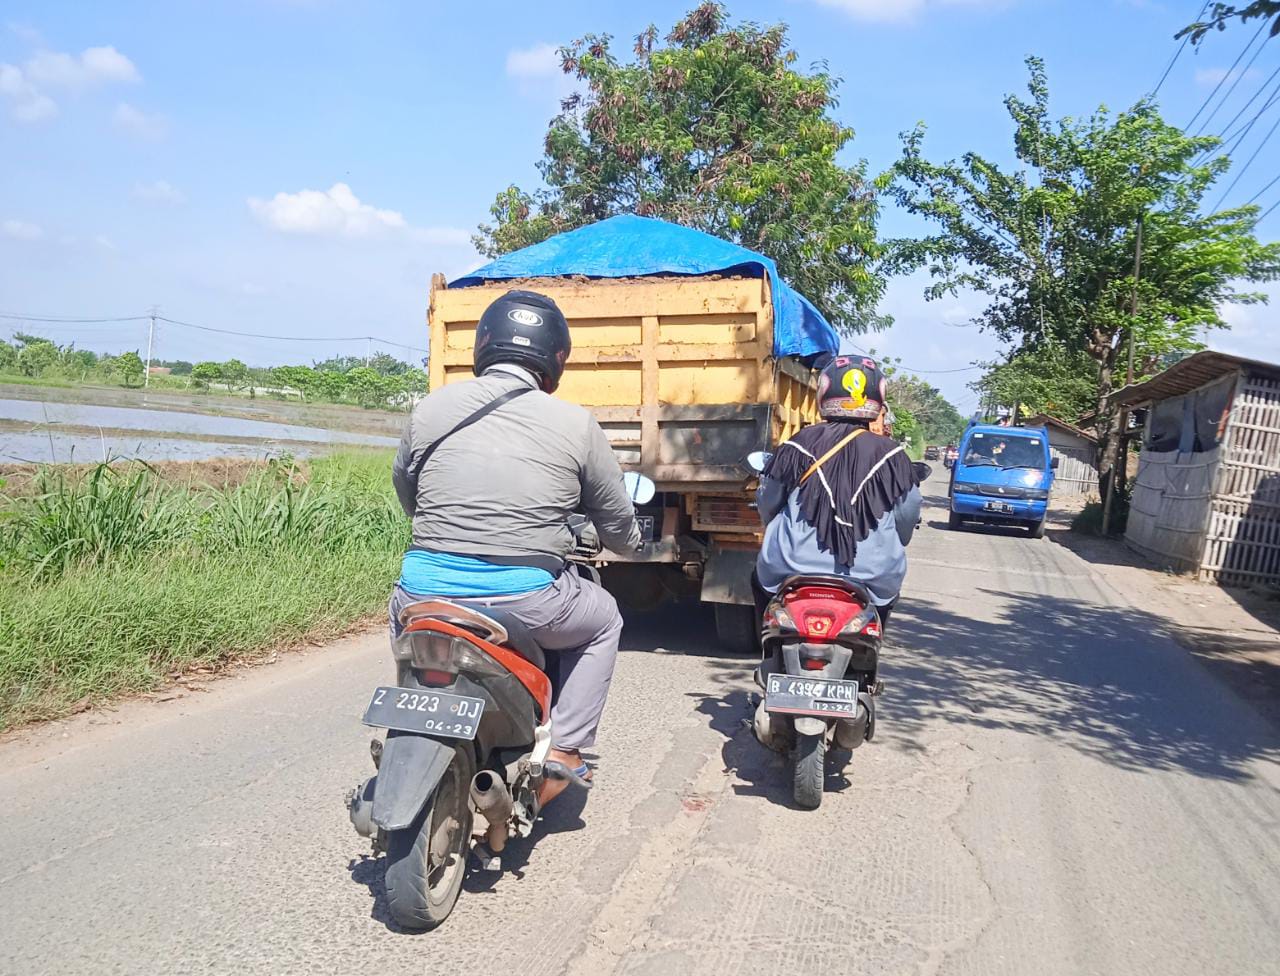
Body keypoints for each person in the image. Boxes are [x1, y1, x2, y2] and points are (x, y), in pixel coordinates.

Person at [390, 289, 642, 807]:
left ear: (484, 345)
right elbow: (615, 521)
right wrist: (633, 544)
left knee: (407, 632)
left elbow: (408, 495)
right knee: (605, 619)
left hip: (418, 595)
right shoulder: (576, 424)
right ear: (556, 358)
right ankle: (568, 749)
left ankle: (418, 705)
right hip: (526, 602)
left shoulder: (430, 409)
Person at [754, 356, 923, 629]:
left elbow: (769, 504)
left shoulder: (797, 445)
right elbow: (907, 516)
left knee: (759, 581)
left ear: (824, 391)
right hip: (874, 572)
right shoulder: (894, 456)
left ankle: (766, 646)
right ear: (877, 396)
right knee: (882, 610)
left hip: (789, 564)